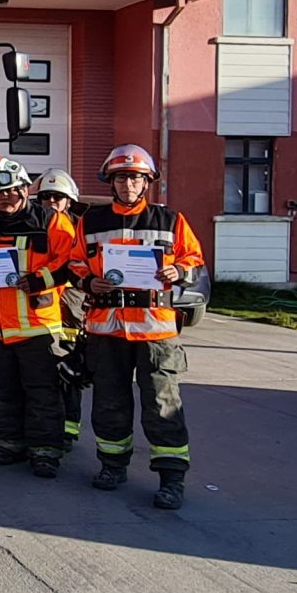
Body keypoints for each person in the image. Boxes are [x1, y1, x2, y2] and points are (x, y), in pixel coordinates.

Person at [77, 143, 207, 510]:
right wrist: (89, 282)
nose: (128, 184)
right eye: (121, 177)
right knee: (109, 402)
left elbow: (194, 259)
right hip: (107, 329)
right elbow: (75, 264)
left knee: (163, 404)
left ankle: (171, 478)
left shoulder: (170, 220)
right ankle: (113, 466)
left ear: (147, 181)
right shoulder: (90, 221)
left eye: (135, 177)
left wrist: (178, 271)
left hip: (156, 331)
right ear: (111, 182)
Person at [0, 160, 84, 479]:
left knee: (42, 392)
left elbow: (72, 261)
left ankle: (45, 451)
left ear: (25, 189)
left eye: (11, 190)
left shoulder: (51, 221)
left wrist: (41, 279)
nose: (5, 197)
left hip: (37, 327)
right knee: (0, 390)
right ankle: (9, 443)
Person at [37, 169, 87, 455]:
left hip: (70, 306)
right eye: (45, 197)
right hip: (43, 310)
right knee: (43, 375)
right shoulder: (34, 227)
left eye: (57, 197)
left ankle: (68, 430)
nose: (51, 201)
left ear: (69, 201)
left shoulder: (78, 229)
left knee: (69, 373)